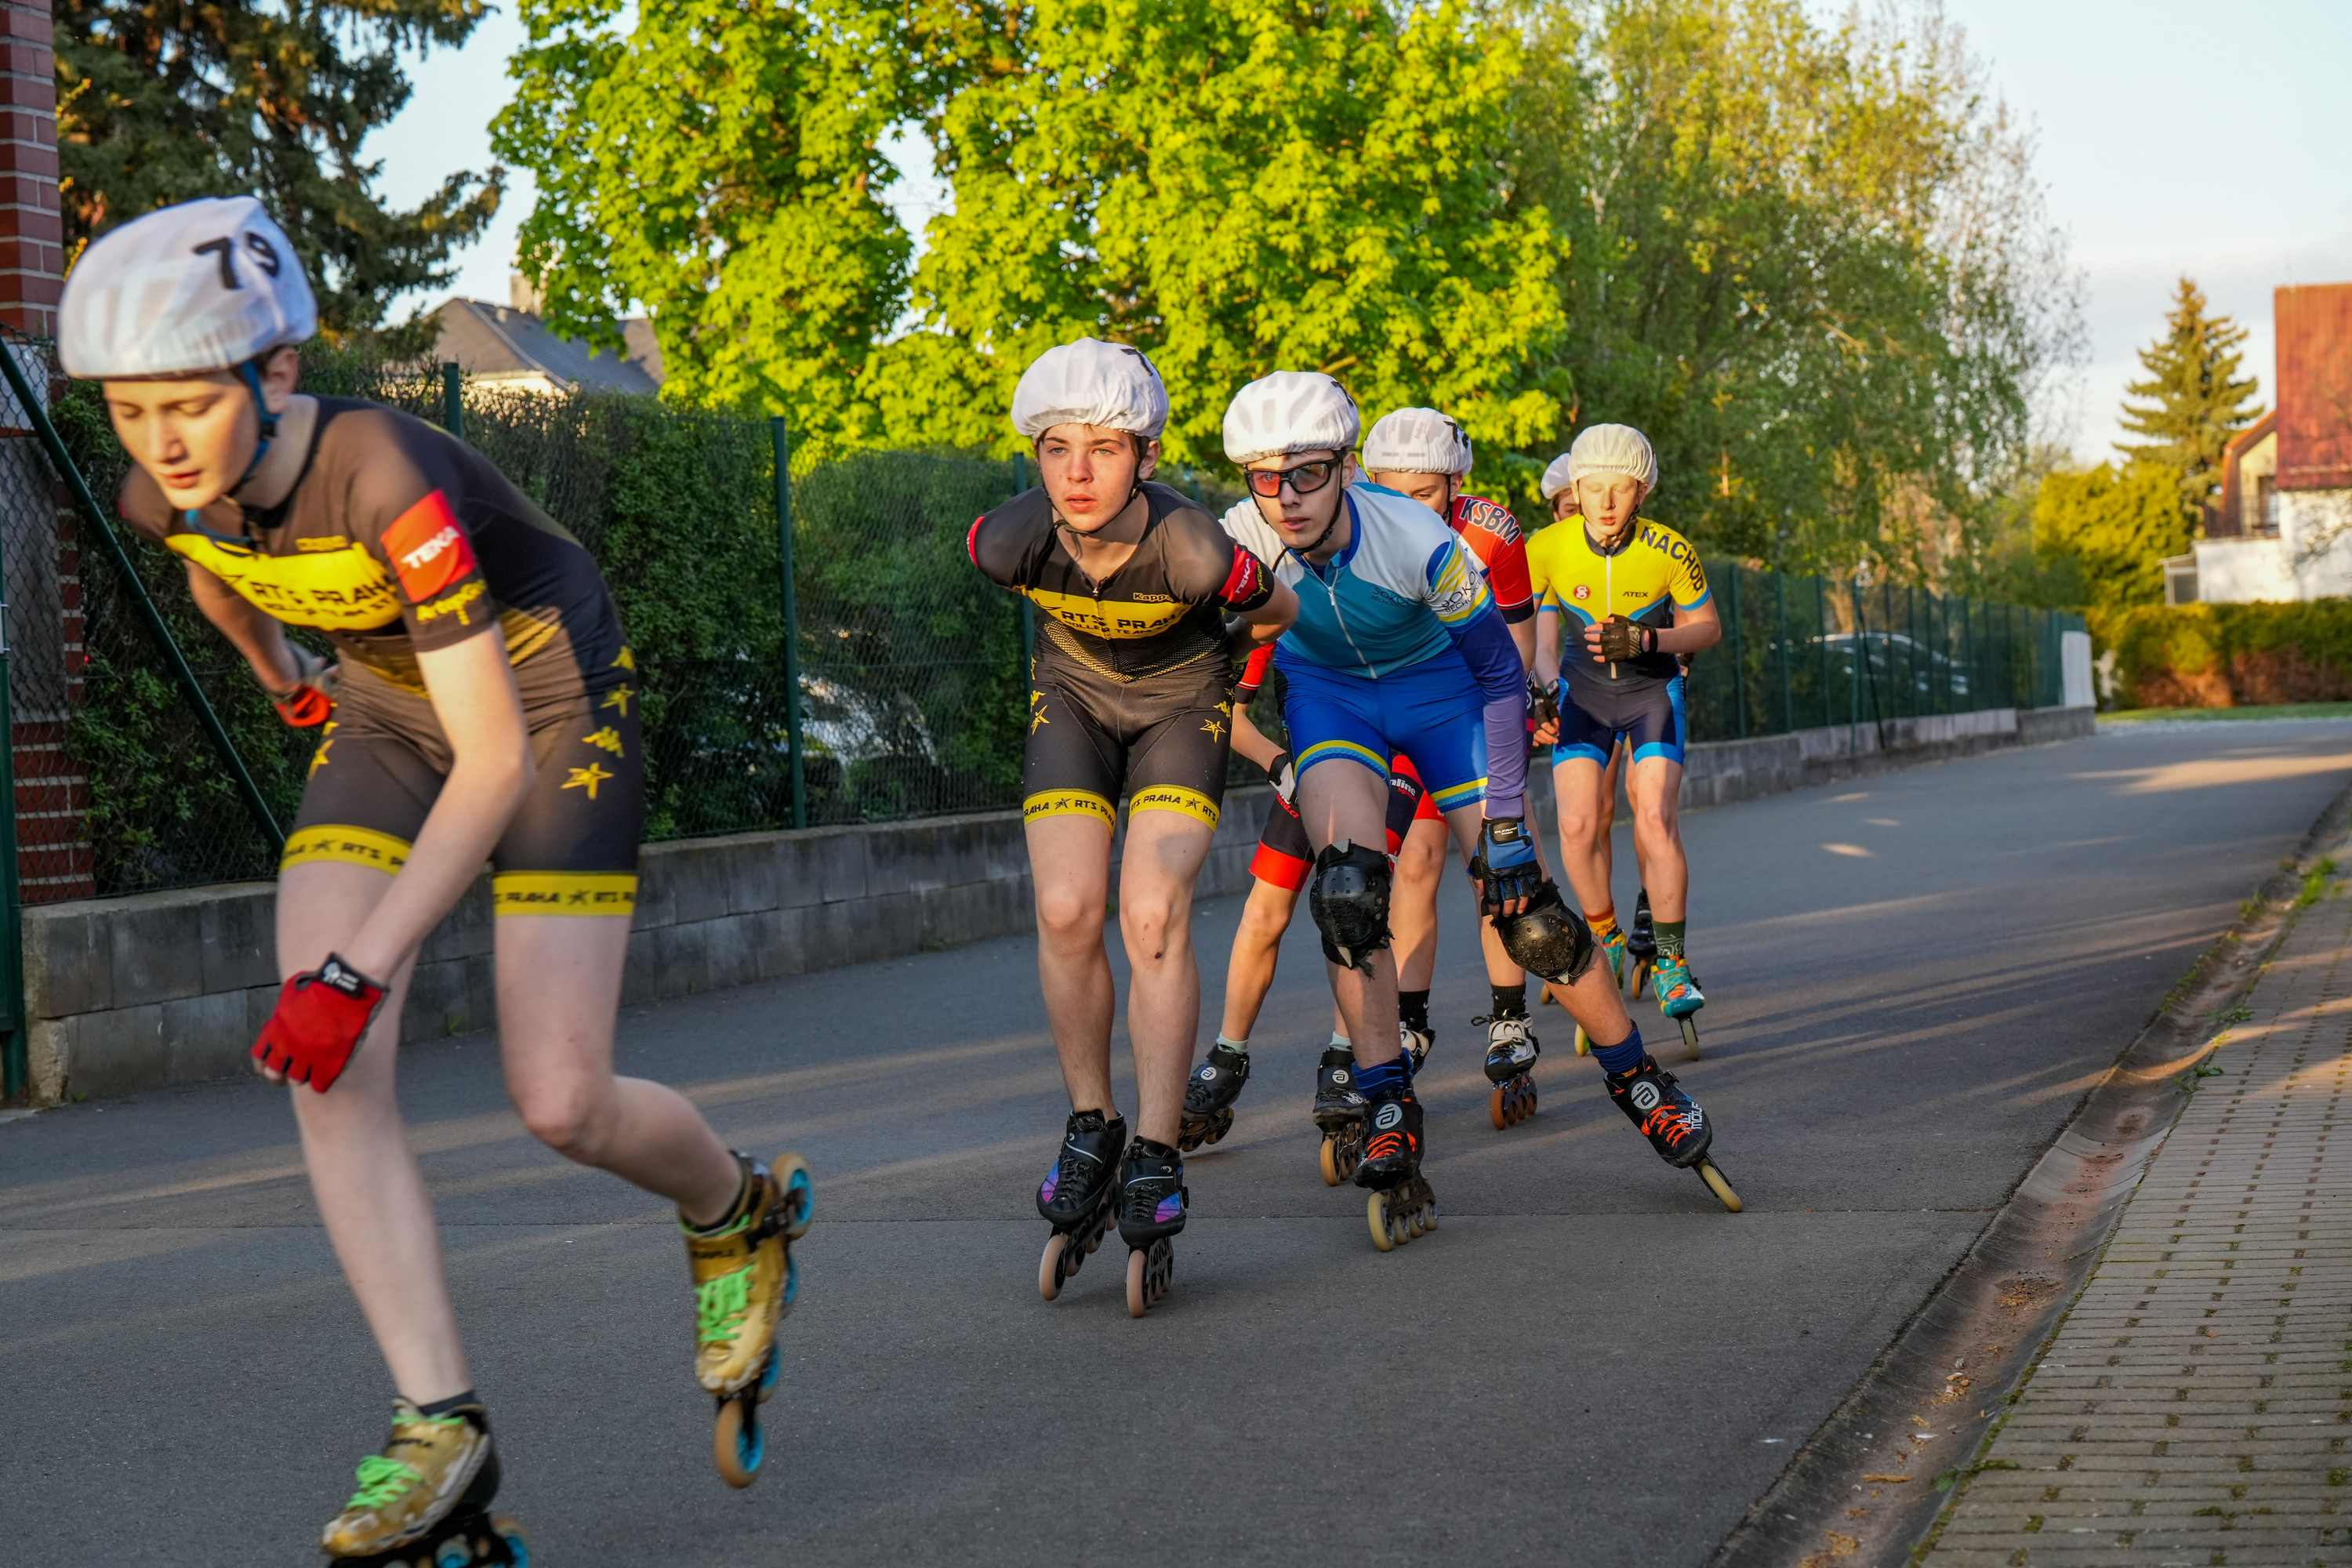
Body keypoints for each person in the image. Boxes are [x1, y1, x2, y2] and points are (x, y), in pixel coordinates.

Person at [62, 197, 812, 1559]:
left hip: (547, 707)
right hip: (381, 711)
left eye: (189, 404)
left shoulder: (382, 474)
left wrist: (358, 971)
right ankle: (439, 1423)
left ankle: (736, 1207)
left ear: (276, 370)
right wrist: (281, 678)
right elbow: (214, 573)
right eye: (129, 411)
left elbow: (491, 760)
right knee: (329, 1069)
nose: (160, 443)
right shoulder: (158, 488)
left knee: (560, 1098)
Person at [1218, 372, 1684, 1240]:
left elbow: (1504, 676)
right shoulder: (1237, 538)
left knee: (1526, 906)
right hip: (1331, 702)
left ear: (1347, 468)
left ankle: (1638, 1077)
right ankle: (1388, 1103)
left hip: (1442, 695)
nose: (1286, 499)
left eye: (1309, 473)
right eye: (1265, 478)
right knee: (1348, 897)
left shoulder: (1419, 539)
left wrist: (1503, 819)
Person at [967, 339, 1297, 1312]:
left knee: (1151, 915)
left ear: (1147, 456)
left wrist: (1225, 644)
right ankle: (1092, 1124)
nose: (1076, 472)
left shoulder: (1195, 547)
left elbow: (1278, 607)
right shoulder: (1003, 541)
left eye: (1104, 449)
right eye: (1056, 448)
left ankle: (1156, 1147)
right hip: (1072, 698)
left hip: (1181, 704)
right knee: (1067, 909)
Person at [1358, 405, 1552, 1096]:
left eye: (1425, 494)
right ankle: (1411, 1023)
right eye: (1392, 493)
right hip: (1407, 706)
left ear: (1456, 483)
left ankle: (1510, 1018)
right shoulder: (1355, 526)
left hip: (1475, 708)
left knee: (1495, 869)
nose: (1409, 509)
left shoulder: (1493, 532)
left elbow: (1519, 641)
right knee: (1414, 865)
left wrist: (1509, 724)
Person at [1527, 424, 1722, 1052]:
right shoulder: (1546, 546)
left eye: (1621, 488)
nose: (1606, 501)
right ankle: (1607, 937)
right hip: (1582, 698)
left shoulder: (1670, 548)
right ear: (1576, 488)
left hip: (1650, 694)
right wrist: (1536, 690)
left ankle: (1670, 961)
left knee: (1655, 818)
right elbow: (1518, 626)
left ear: (1642, 491)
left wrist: (1649, 640)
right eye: (1593, 488)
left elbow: (1708, 627)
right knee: (1578, 825)